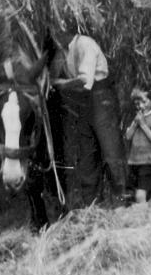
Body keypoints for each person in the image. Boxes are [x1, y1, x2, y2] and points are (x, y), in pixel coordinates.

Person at [47, 26, 127, 208]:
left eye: (56, 32)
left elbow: (84, 81)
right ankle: (92, 206)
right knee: (87, 153)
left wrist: (60, 84)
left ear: (63, 30)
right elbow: (51, 77)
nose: (54, 37)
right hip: (83, 103)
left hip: (100, 97)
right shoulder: (63, 52)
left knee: (110, 148)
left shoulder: (85, 44)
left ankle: (123, 200)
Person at [125, 86, 151, 203]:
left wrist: (142, 125)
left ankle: (143, 217)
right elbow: (128, 136)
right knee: (131, 194)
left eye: (143, 102)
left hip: (148, 162)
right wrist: (135, 123)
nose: (140, 106)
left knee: (141, 195)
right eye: (137, 103)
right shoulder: (138, 117)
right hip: (134, 161)